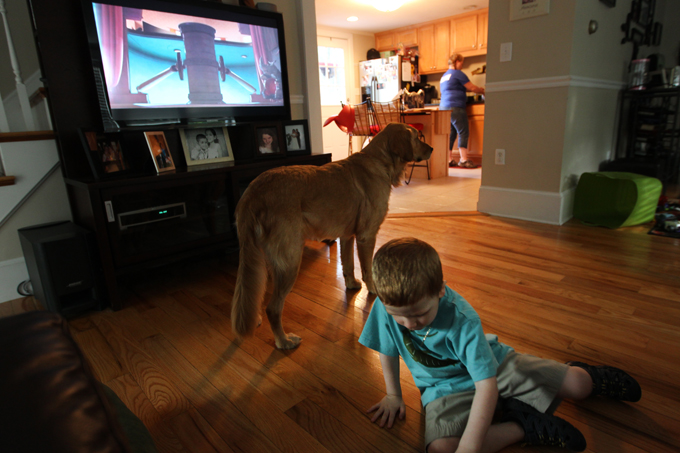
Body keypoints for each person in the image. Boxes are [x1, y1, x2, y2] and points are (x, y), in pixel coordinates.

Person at [359, 237, 641, 453]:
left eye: (420, 313)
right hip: (442, 388)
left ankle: (590, 376)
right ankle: (523, 425)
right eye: (400, 316)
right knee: (440, 448)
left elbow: (486, 385)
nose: (410, 323)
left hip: (496, 366)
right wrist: (394, 394)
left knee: (578, 387)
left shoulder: (462, 319)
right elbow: (387, 348)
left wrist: (470, 448)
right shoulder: (386, 306)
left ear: (440, 290)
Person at [439, 53, 485, 168]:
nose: (462, 65)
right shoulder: (458, 74)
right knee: (463, 132)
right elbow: (472, 88)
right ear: (457, 62)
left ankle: (449, 160)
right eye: (462, 63)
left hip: (444, 107)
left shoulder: (444, 76)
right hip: (455, 106)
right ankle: (463, 160)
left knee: (451, 134)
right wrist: (483, 91)